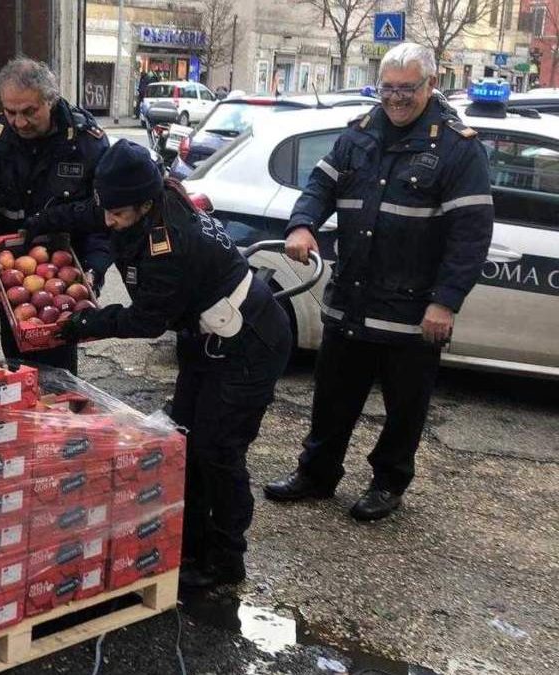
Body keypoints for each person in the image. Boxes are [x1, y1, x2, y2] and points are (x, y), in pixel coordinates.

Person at [263, 42, 493, 521]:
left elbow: (470, 236)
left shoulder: (456, 148)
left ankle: (388, 482)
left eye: (406, 89)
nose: (395, 99)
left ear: (431, 84)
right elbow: (320, 186)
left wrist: (446, 302)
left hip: (412, 309)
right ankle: (317, 474)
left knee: (405, 408)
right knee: (332, 397)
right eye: (387, 88)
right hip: (352, 298)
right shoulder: (360, 135)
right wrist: (302, 224)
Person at [48, 140, 292, 588]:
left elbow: (145, 321)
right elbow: (90, 212)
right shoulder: (144, 199)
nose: (109, 221)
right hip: (206, 338)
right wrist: (40, 225)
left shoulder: (171, 244)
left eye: (118, 215)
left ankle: (226, 559)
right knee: (183, 440)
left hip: (248, 342)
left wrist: (85, 324)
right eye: (108, 209)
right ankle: (191, 543)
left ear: (143, 204)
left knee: (218, 451)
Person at [0, 57, 111, 374]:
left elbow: (103, 220)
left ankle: (58, 413)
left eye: (29, 112)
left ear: (51, 100)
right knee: (20, 357)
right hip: (12, 270)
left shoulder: (87, 142)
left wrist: (93, 270)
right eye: (10, 112)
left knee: (60, 362)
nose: (18, 122)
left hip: (65, 269)